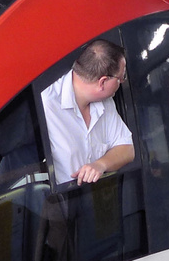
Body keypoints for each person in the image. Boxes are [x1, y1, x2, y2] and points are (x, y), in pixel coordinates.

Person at [40, 39, 135, 185]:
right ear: (102, 82)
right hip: (59, 200)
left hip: (96, 195)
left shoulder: (106, 103)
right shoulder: (46, 103)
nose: (122, 82)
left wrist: (100, 165)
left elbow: (127, 149)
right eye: (121, 78)